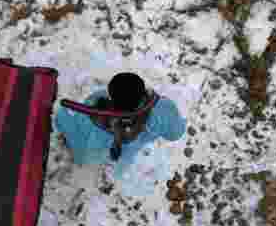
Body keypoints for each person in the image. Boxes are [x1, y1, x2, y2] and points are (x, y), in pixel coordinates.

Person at [54, 72, 186, 174]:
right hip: (123, 160)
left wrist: (59, 114)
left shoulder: (92, 109)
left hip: (91, 154)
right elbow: (176, 134)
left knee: (82, 154)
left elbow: (66, 123)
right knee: (116, 167)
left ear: (110, 97)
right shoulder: (163, 111)